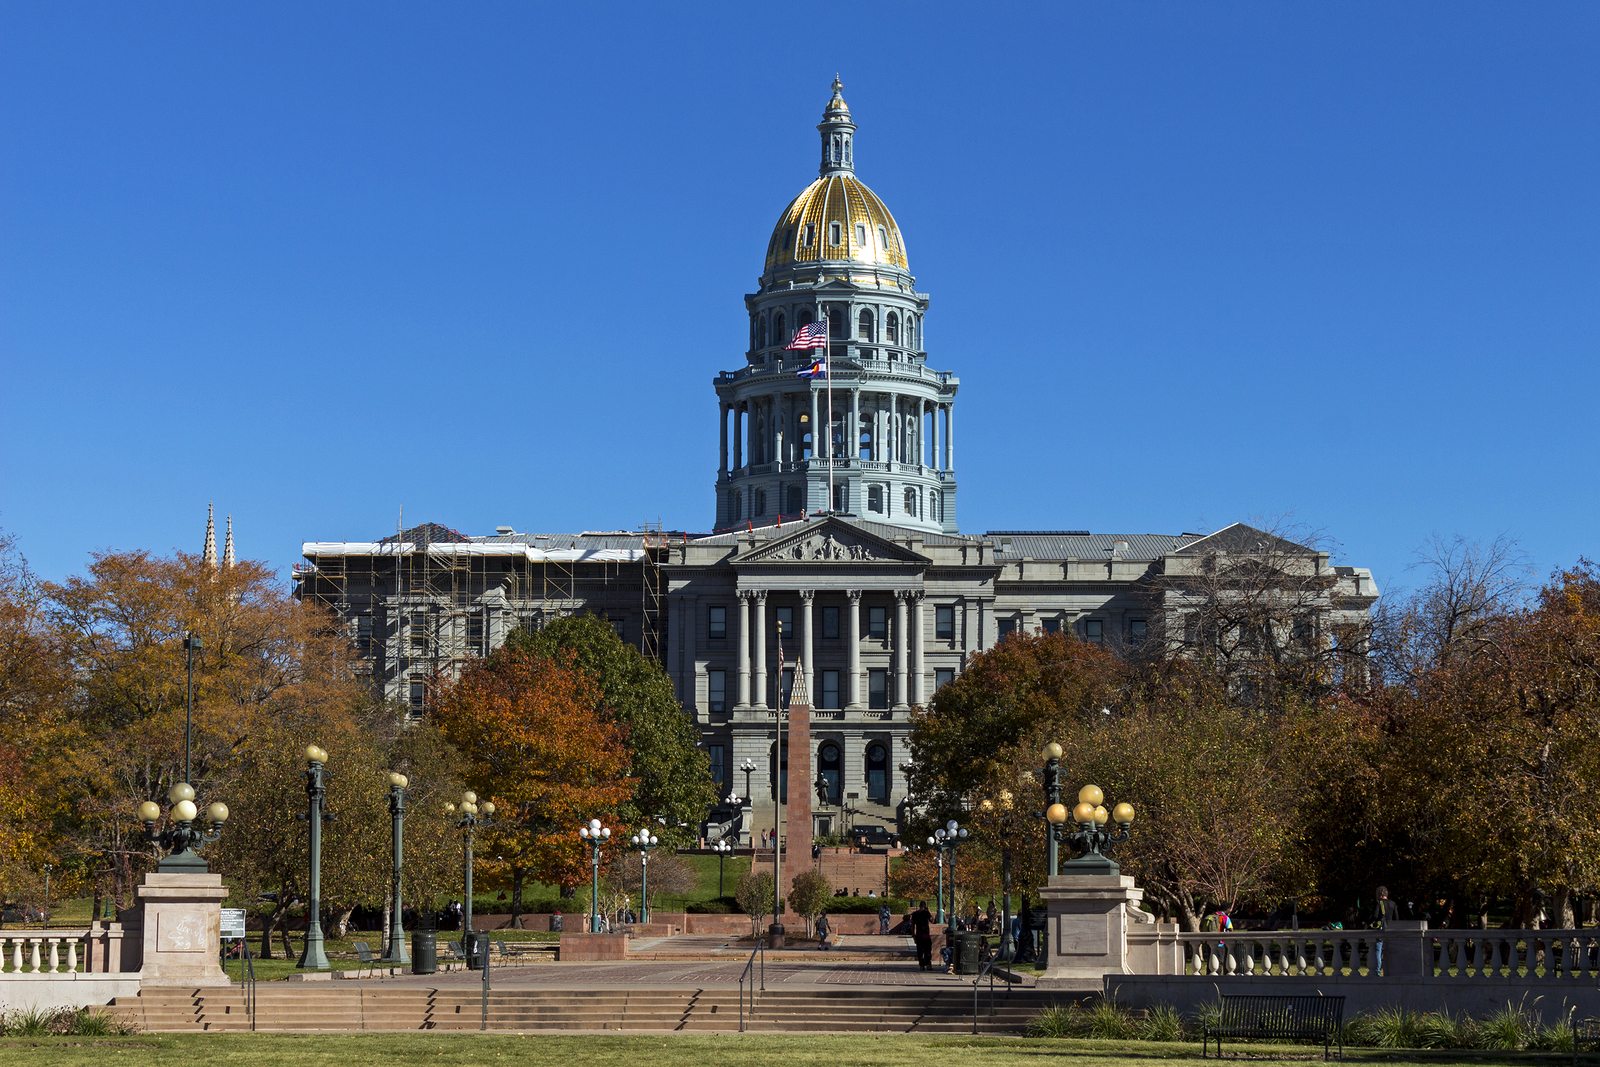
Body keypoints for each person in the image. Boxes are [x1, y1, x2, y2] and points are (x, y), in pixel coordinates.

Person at [1372, 885, 1398, 974]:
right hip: (1391, 929)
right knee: (1389, 950)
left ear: (1379, 894)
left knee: (1378, 950)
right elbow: (1396, 918)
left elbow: (1375, 916)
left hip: (1382, 928)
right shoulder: (1393, 903)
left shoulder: (1379, 903)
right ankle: (1390, 970)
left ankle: (1377, 971)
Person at [911, 900, 934, 970]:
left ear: (919, 906)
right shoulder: (926, 913)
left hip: (918, 935)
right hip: (926, 935)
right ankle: (928, 965)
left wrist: (913, 935)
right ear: (925, 906)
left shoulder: (915, 914)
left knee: (920, 951)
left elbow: (912, 926)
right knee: (928, 950)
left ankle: (921, 965)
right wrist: (929, 912)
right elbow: (932, 921)